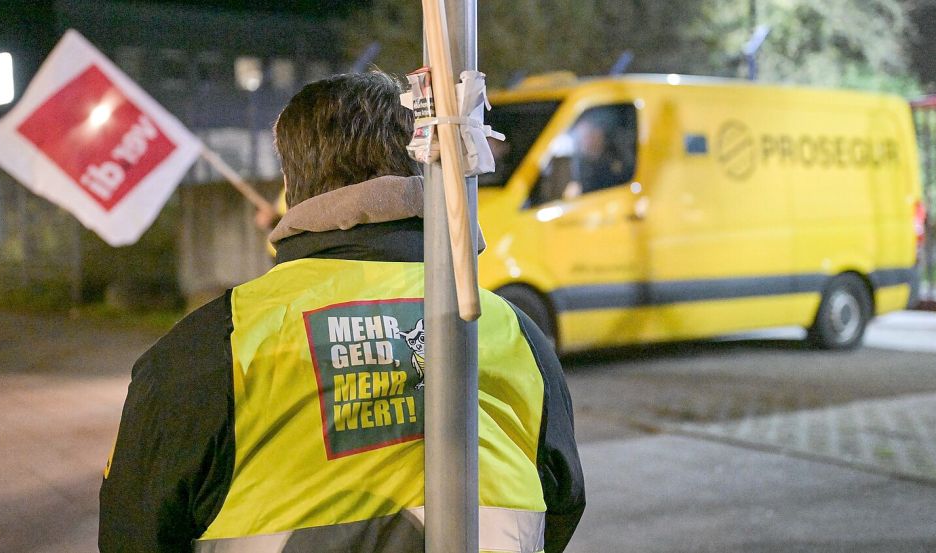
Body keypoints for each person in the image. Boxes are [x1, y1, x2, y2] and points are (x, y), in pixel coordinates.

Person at [99, 72, 585, 553]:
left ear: (291, 185)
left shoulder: (207, 351)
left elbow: (132, 533)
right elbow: (561, 504)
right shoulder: (514, 333)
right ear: (420, 168)